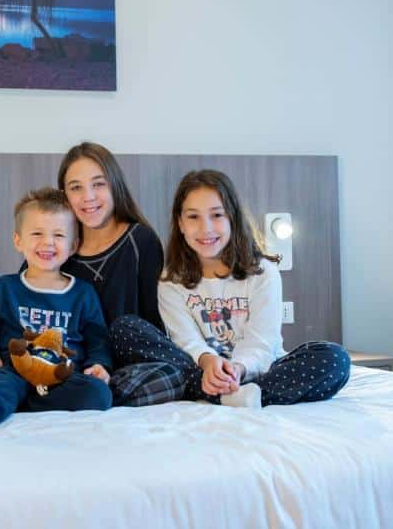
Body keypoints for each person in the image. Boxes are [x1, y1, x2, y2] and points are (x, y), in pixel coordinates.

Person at [148, 169, 350, 408]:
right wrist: (209, 362)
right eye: (193, 217)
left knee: (334, 358)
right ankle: (228, 393)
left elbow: (262, 342)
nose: (205, 228)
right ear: (180, 223)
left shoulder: (262, 273)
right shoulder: (171, 280)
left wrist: (238, 369)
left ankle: (239, 394)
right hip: (201, 370)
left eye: (217, 215)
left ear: (233, 218)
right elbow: (186, 340)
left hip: (261, 370)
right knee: (129, 329)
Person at [0, 187, 112, 434]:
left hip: (62, 375)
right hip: (14, 371)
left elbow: (98, 340)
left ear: (73, 245)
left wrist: (99, 364)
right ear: (18, 240)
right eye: (37, 233)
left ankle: (21, 404)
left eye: (59, 235)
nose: (48, 242)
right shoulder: (5, 288)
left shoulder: (83, 294)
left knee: (99, 394)